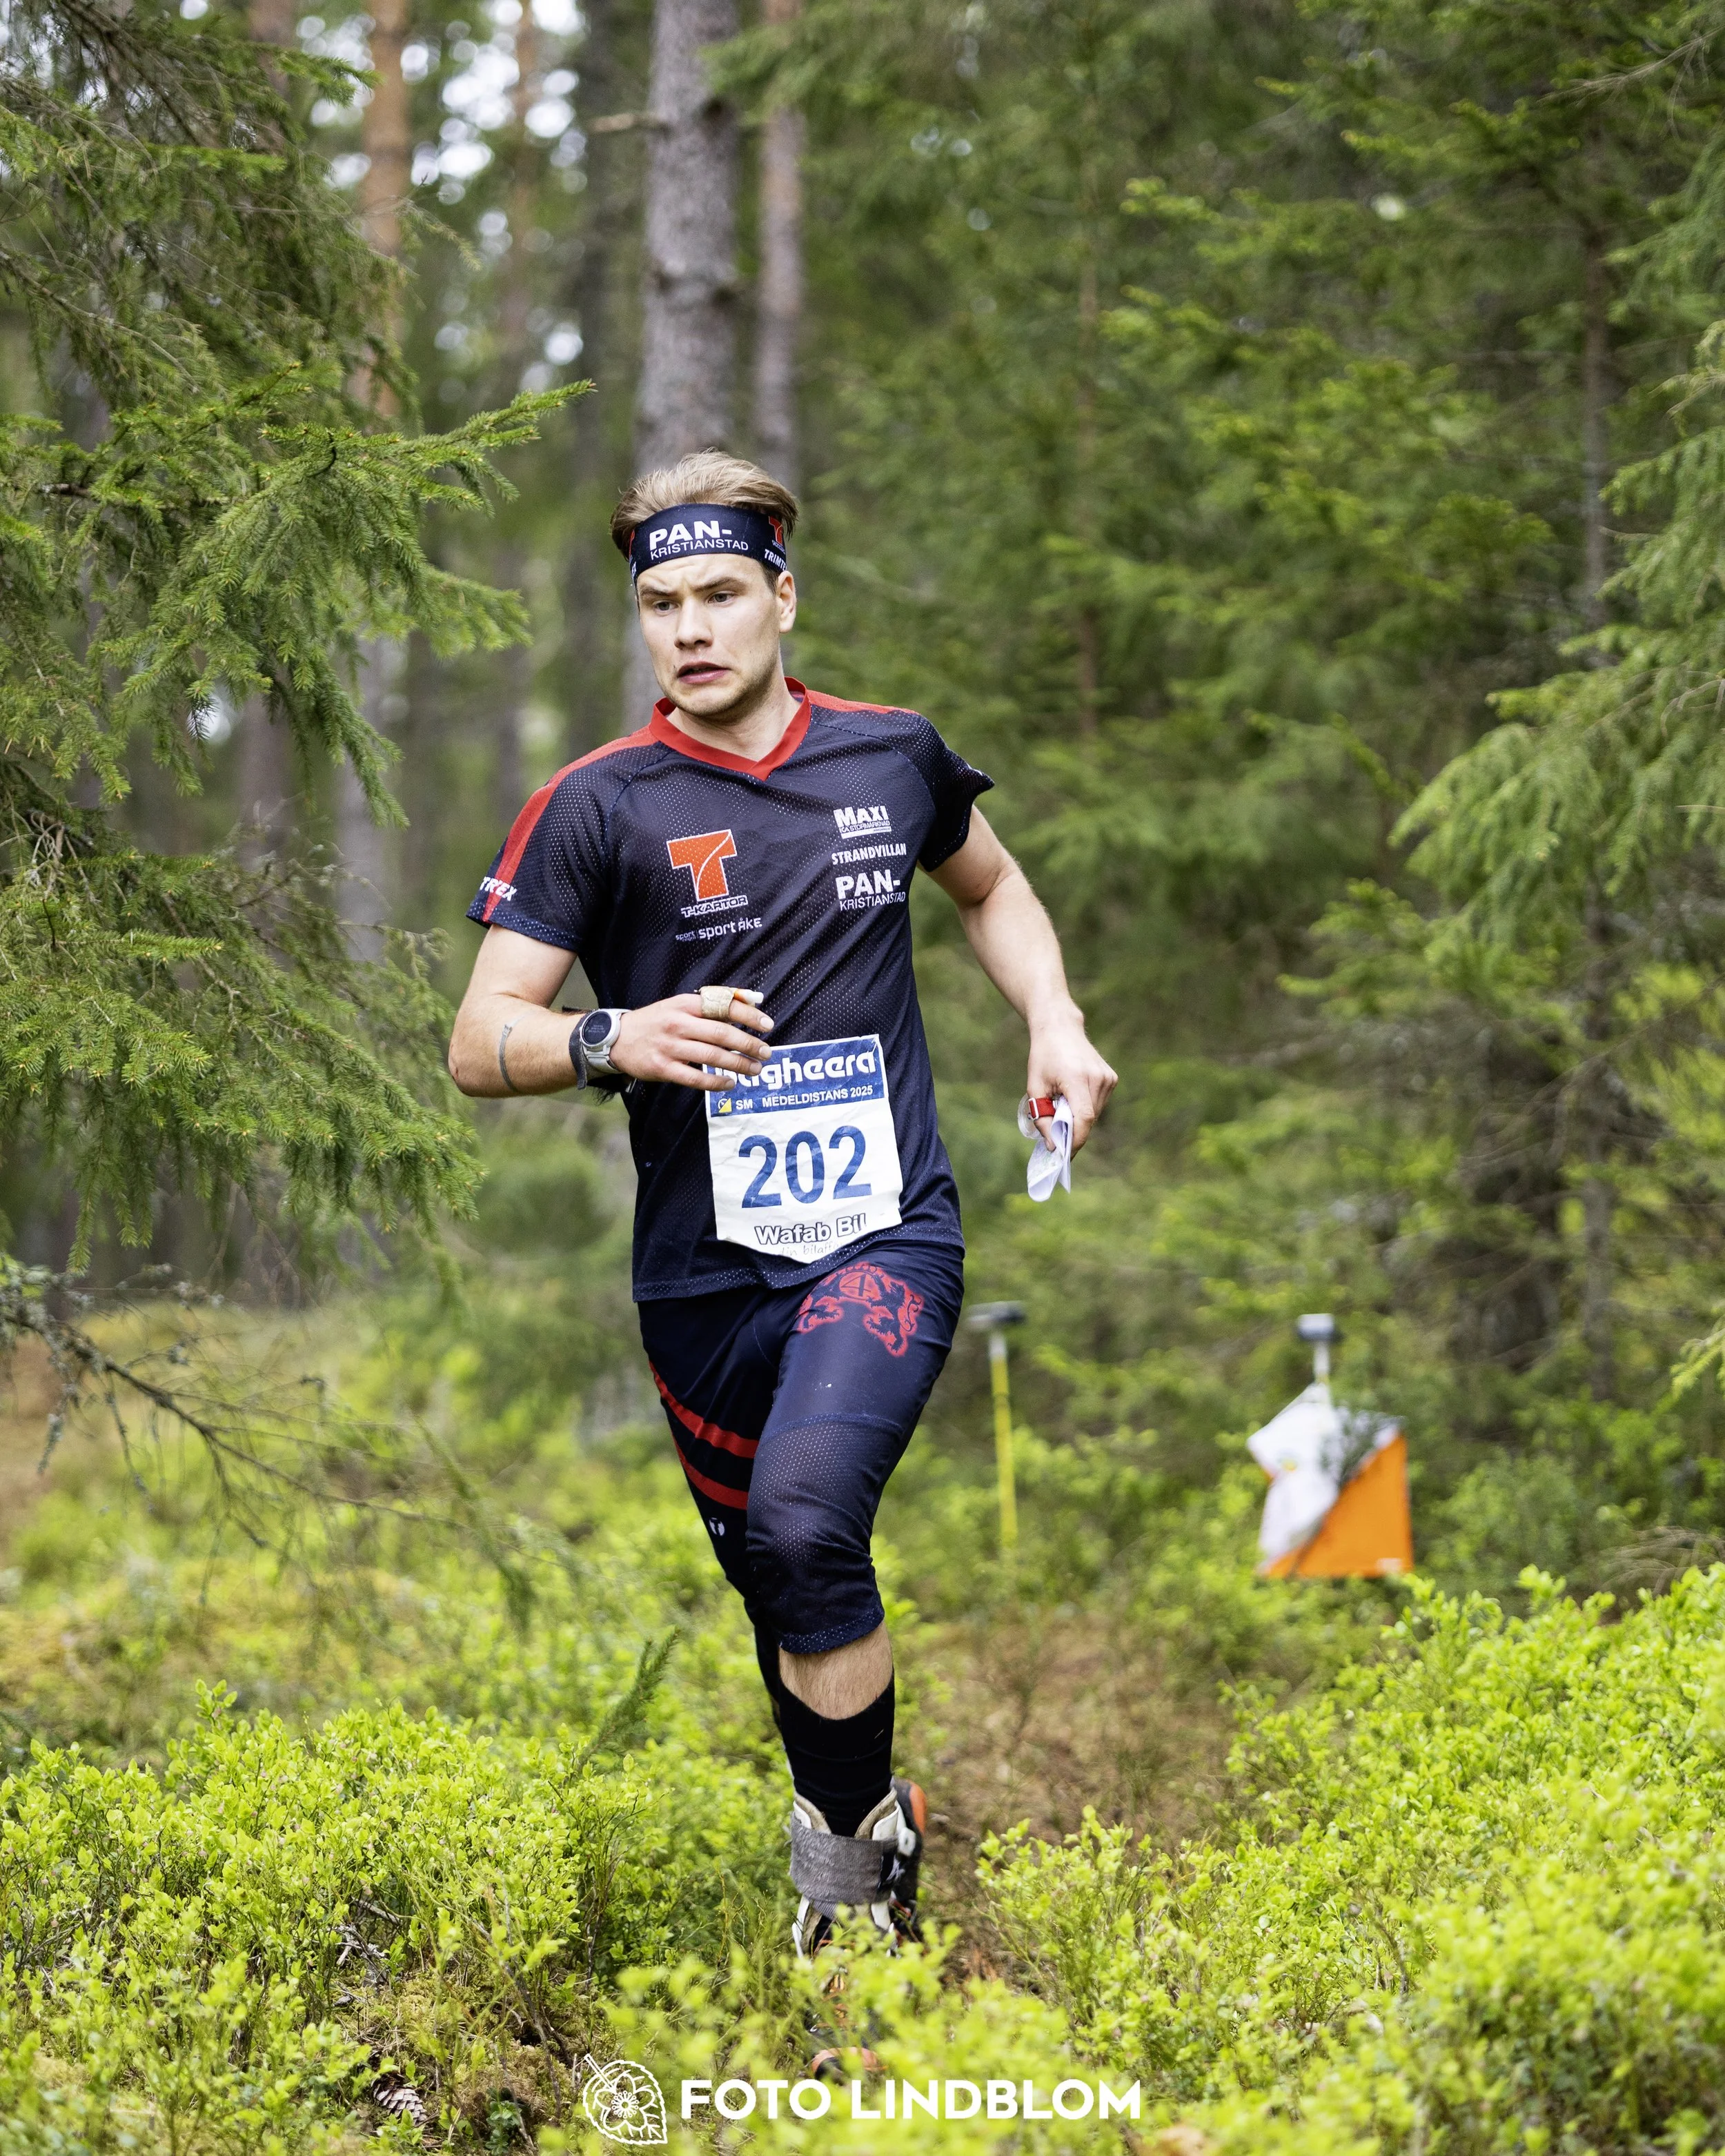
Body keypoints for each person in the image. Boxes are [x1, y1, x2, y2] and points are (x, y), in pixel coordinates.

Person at [448, 448, 1116, 1984]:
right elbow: (480, 1040)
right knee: (777, 1578)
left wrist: (1053, 1020)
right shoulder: (595, 806)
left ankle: (849, 1902)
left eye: (719, 594)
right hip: (699, 1280)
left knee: (813, 1526)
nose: (688, 627)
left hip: (883, 1233)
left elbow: (992, 889)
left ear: (782, 597)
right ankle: (867, 1823)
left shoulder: (891, 758)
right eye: (660, 600)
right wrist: (613, 1035)